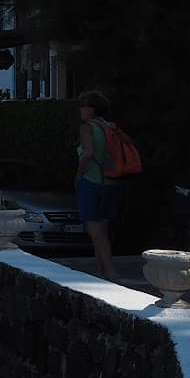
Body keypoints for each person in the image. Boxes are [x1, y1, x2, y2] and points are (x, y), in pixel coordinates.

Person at [75, 89, 123, 279]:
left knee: (95, 230)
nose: (81, 109)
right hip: (112, 181)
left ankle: (109, 272)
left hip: (92, 181)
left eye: (83, 106)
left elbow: (87, 153)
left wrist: (78, 175)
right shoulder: (109, 126)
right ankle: (101, 272)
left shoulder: (87, 127)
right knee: (103, 229)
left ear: (91, 109)